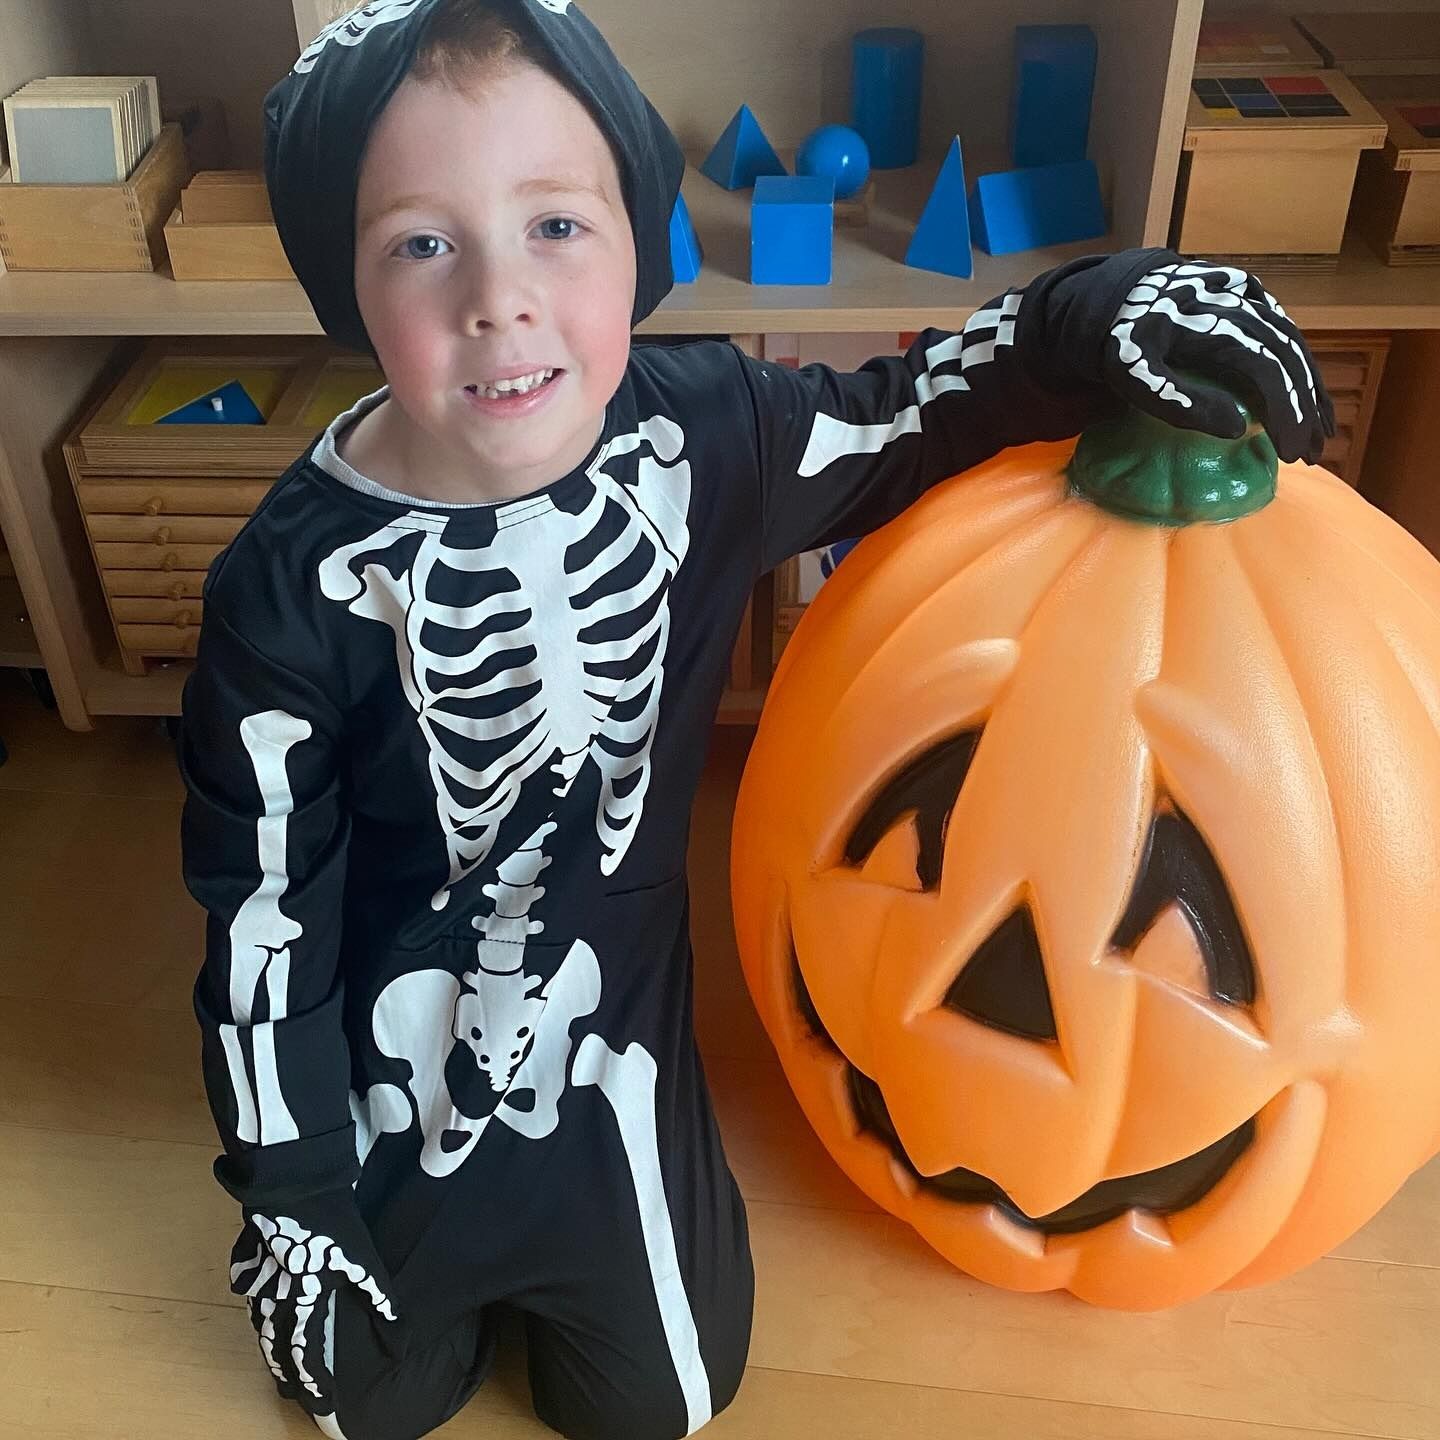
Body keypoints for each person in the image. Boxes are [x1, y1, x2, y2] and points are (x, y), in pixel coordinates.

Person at [177, 2, 1334, 1438]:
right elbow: (261, 923)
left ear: (639, 239)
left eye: (557, 226)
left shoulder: (705, 434)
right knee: (368, 1405)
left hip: (614, 1038)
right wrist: (290, 1189)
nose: (500, 298)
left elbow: (920, 409)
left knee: (659, 1406)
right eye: (421, 244)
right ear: (342, 284)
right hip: (393, 1059)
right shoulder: (291, 586)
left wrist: (1098, 312)